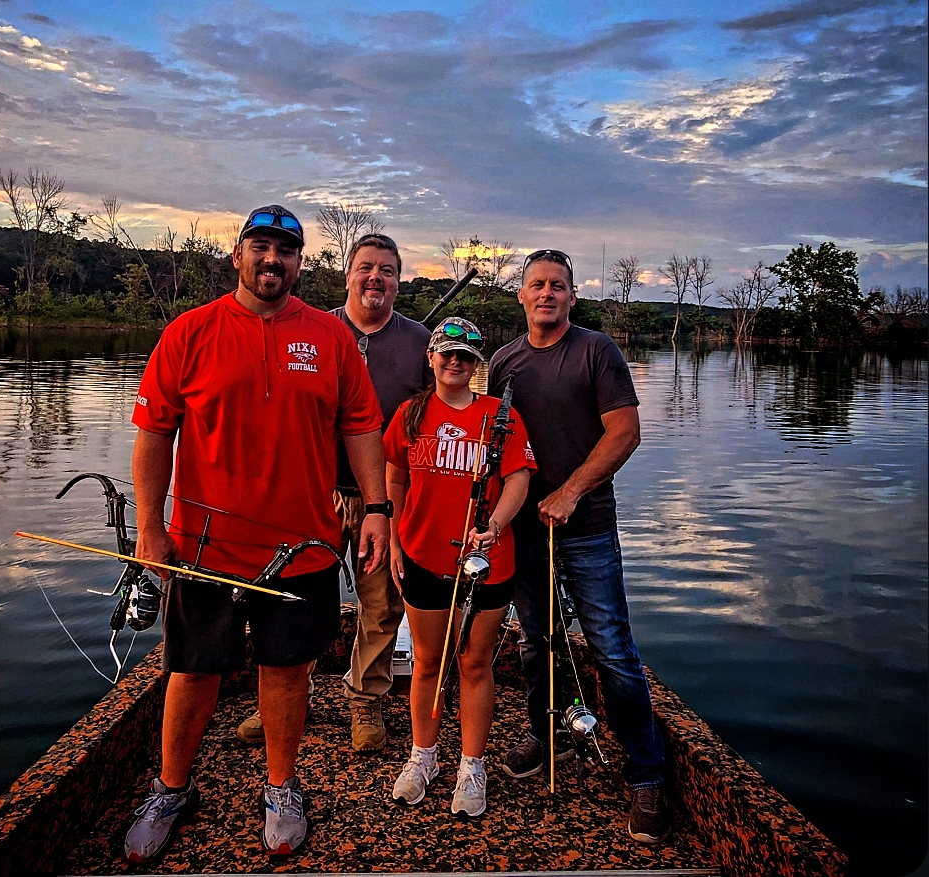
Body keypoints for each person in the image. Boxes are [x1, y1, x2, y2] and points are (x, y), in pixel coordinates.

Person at [123, 205, 390, 862]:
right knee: (191, 671)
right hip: (204, 547)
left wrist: (378, 506)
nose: (273, 259)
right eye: (261, 246)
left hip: (303, 547)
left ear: (301, 263)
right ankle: (170, 787)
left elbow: (360, 426)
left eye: (286, 250)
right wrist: (149, 528)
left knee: (287, 670)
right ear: (238, 255)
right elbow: (155, 433)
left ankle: (281, 786)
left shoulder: (330, 337)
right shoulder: (190, 331)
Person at [487, 249, 669, 843]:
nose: (546, 294)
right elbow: (491, 444)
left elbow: (626, 432)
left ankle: (646, 774)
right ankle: (548, 735)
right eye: (536, 285)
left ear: (571, 296)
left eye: (557, 286)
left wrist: (568, 492)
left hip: (586, 526)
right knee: (536, 641)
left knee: (612, 649)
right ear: (521, 295)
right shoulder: (503, 363)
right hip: (523, 531)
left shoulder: (596, 351)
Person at [236, 232, 430, 752]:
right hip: (309, 495)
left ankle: (365, 703)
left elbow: (432, 422)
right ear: (347, 273)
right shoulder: (312, 328)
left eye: (387, 270)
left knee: (381, 605)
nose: (376, 278)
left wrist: (399, 504)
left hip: (380, 498)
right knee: (288, 601)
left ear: (398, 280)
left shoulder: (420, 343)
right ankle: (273, 700)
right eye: (366, 267)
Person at [384, 318, 535, 817]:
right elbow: (396, 475)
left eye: (466, 357)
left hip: (487, 562)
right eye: (446, 354)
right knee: (427, 661)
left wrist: (494, 524)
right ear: (430, 358)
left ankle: (472, 764)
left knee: (474, 662)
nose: (455, 363)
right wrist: (395, 537)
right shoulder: (410, 413)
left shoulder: (500, 416)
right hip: (424, 554)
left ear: (477, 365)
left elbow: (517, 480)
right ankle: (422, 756)